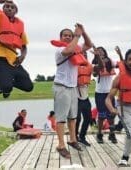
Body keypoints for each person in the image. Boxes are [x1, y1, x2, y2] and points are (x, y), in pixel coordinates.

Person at [52, 23, 92, 158]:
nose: (68, 37)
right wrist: (77, 36)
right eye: (66, 35)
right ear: (61, 37)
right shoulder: (60, 50)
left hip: (72, 87)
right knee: (61, 118)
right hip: (61, 86)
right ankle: (61, 145)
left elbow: (89, 44)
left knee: (73, 117)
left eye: (70, 35)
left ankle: (73, 140)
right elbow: (68, 50)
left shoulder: (77, 47)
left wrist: (83, 31)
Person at [92, 46, 118, 144]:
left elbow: (122, 64)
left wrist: (119, 54)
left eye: (102, 51)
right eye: (98, 52)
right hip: (99, 93)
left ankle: (112, 134)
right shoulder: (94, 63)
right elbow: (94, 74)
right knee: (101, 116)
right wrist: (99, 61)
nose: (100, 52)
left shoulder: (111, 61)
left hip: (109, 92)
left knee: (111, 114)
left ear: (105, 52)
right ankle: (99, 134)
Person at [75, 51, 93, 146]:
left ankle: (82, 137)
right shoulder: (73, 67)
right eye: (82, 55)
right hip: (76, 97)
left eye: (85, 55)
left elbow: (99, 69)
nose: (84, 57)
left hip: (85, 98)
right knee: (77, 118)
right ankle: (74, 137)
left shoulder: (89, 67)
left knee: (88, 118)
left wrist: (97, 56)